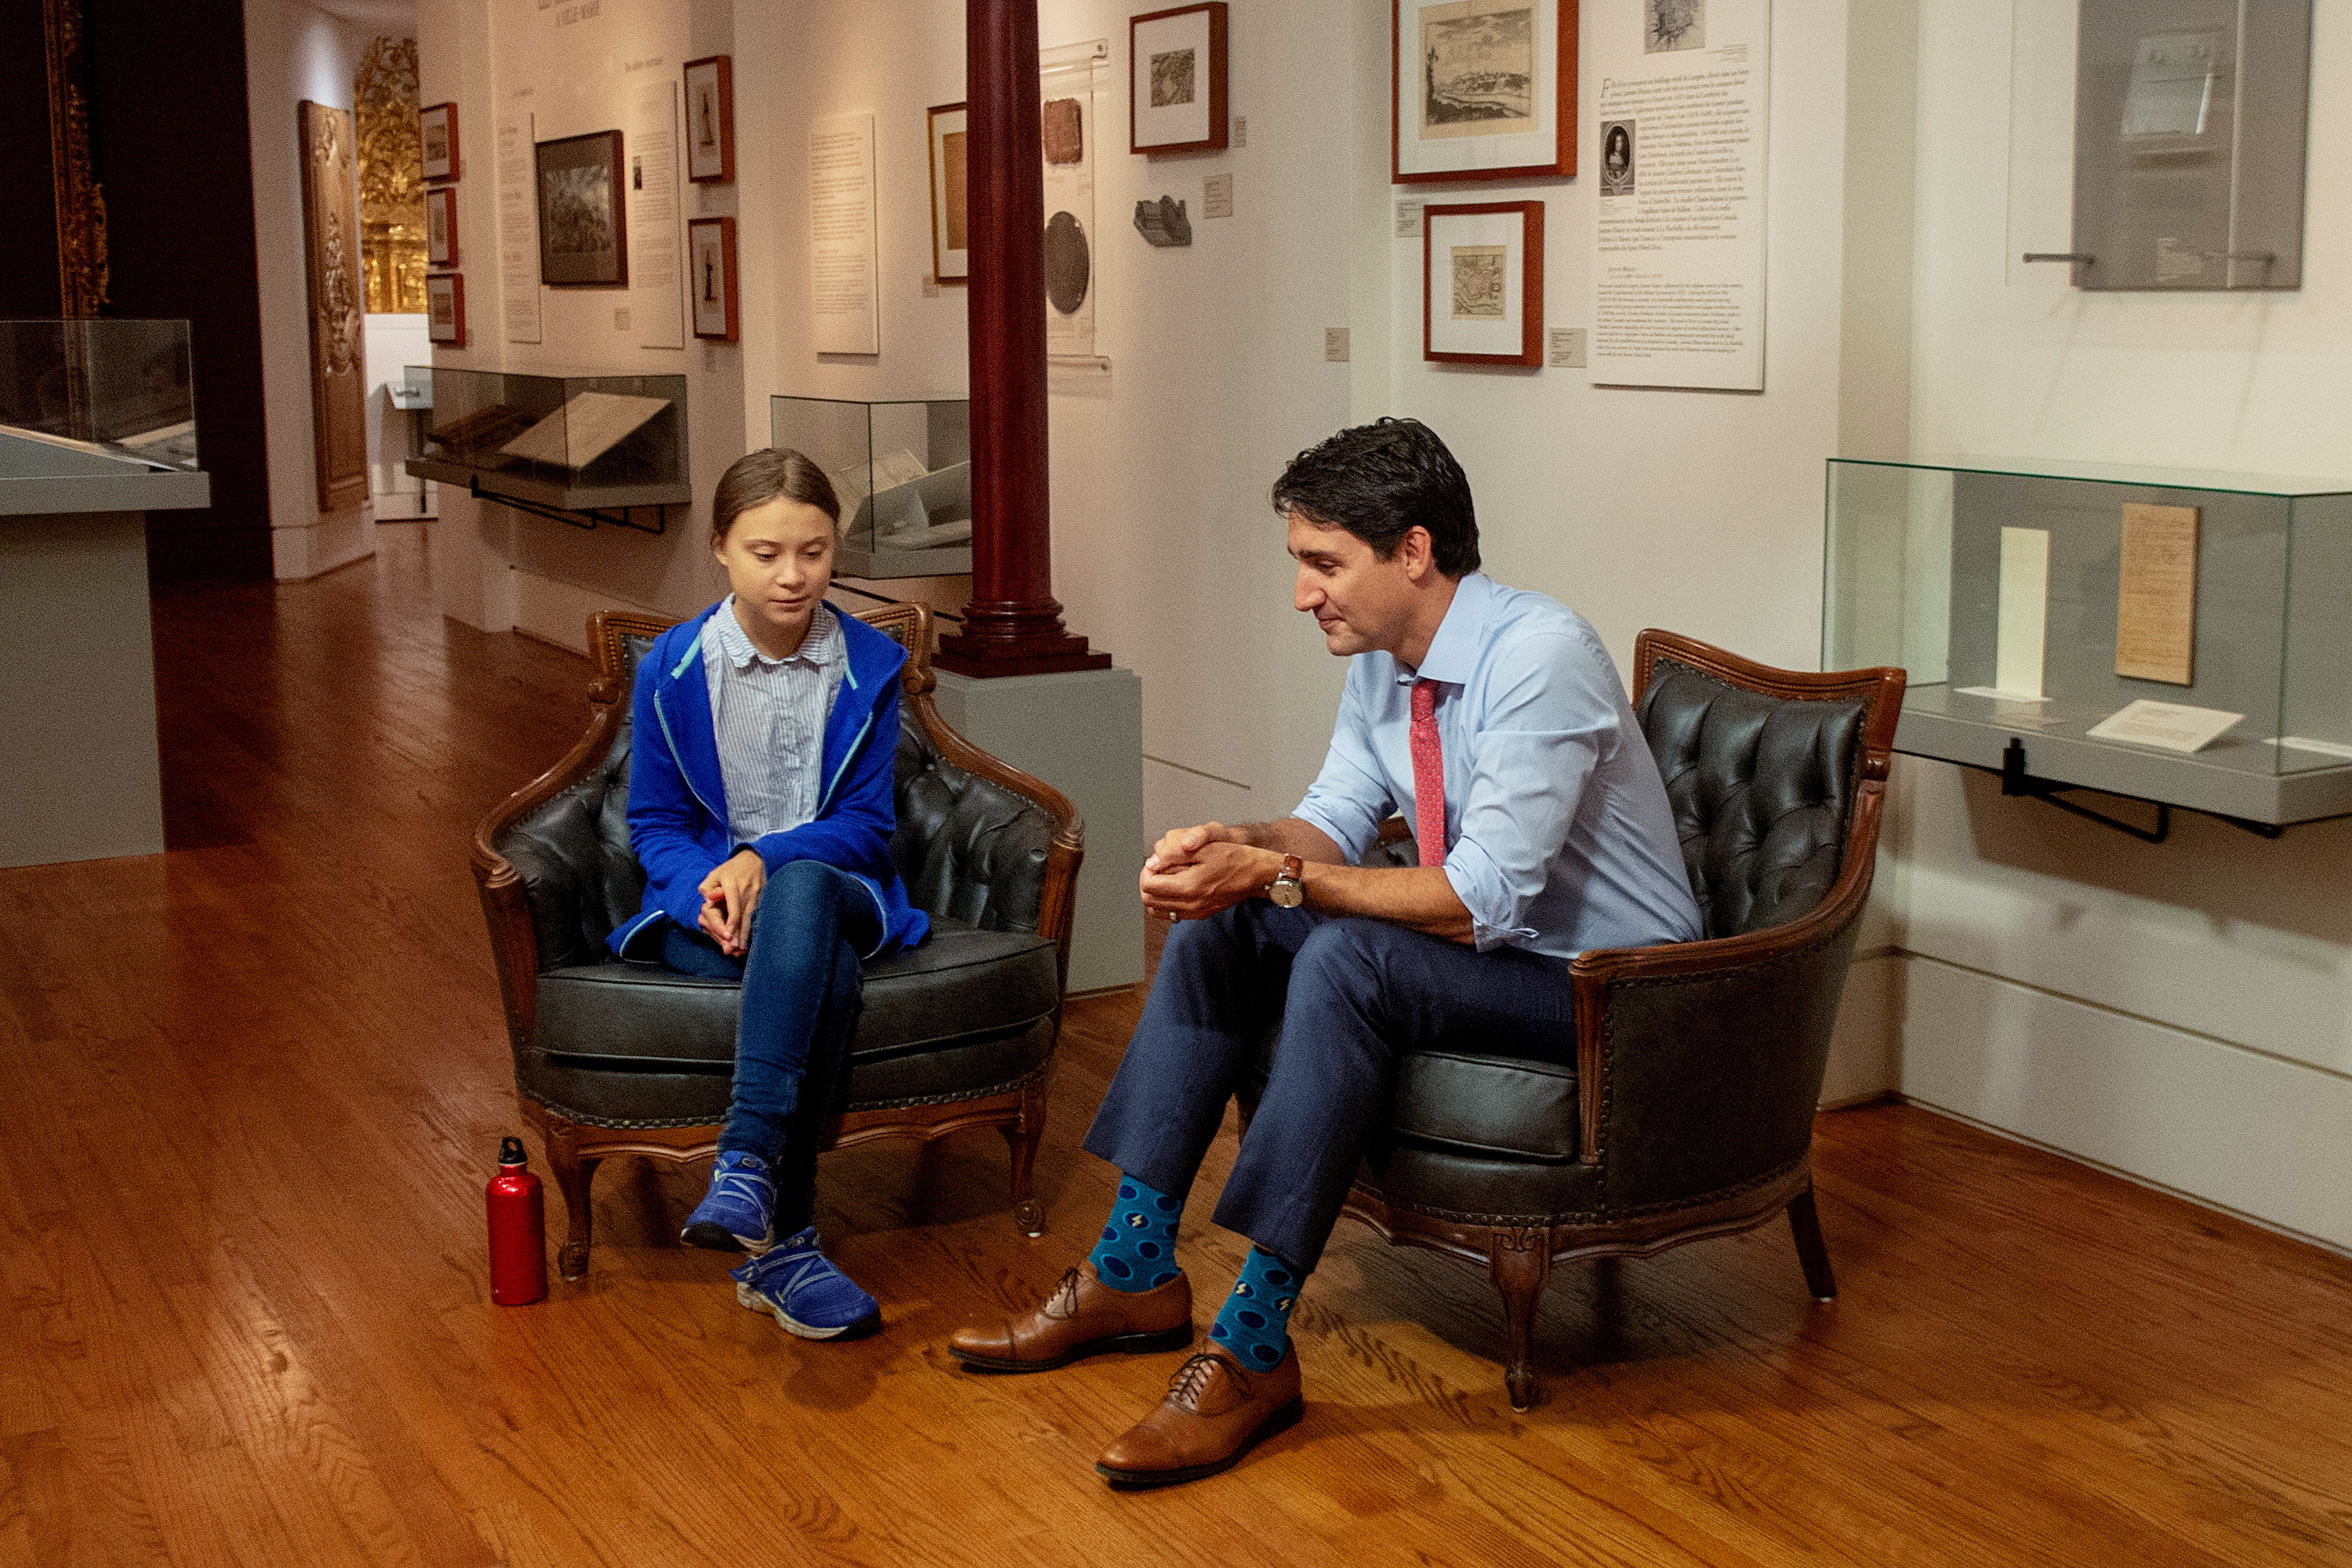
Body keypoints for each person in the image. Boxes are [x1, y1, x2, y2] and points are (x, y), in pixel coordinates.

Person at [949, 418, 1701, 1485]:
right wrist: (1236, 846)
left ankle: (1255, 1346)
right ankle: (1134, 1267)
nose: (1304, 593)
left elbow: (1479, 898)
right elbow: (1333, 823)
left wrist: (1278, 873)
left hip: (1610, 988)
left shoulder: (1540, 656)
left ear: (1414, 551)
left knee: (1349, 958)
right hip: (1504, 955)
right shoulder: (1391, 662)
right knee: (1228, 921)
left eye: (1324, 563)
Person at [609, 447, 928, 1341]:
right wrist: (705, 891)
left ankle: (745, 1158)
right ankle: (784, 1244)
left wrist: (764, 857)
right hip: (710, 911)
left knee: (803, 892)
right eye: (766, 552)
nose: (793, 575)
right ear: (719, 547)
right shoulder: (672, 666)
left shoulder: (870, 662)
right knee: (821, 968)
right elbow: (655, 825)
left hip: (842, 888)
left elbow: (865, 824)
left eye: (814, 552)